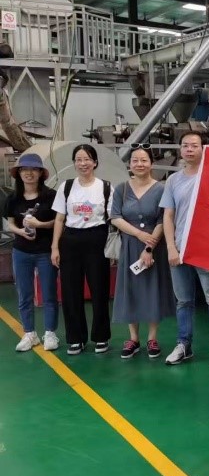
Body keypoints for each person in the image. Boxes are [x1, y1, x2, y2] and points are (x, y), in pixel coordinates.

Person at [160, 132, 209, 368]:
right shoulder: (173, 181)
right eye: (185, 145)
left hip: (206, 249)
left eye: (194, 145)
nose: (189, 149)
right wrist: (171, 247)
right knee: (183, 301)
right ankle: (183, 345)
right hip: (180, 249)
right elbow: (168, 216)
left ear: (203, 149)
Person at [111, 144, 175, 359]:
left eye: (144, 160)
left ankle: (152, 338)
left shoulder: (161, 189)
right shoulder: (122, 189)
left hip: (154, 245)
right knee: (130, 289)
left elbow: (163, 219)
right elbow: (115, 217)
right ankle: (133, 338)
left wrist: (149, 246)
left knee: (152, 289)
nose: (139, 164)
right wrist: (138, 235)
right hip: (130, 245)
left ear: (151, 164)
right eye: (135, 160)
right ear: (130, 164)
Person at [51, 144, 113, 355]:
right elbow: (59, 219)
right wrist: (55, 247)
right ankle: (75, 338)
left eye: (87, 159)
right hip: (70, 241)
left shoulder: (106, 187)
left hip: (97, 239)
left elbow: (113, 219)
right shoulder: (66, 187)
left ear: (95, 162)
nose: (83, 163)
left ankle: (101, 336)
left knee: (99, 290)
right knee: (70, 292)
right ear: (74, 163)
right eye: (78, 159)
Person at [4, 153, 59, 352]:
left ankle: (50, 333)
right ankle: (29, 333)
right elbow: (10, 223)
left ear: (40, 173)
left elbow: (58, 221)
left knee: (49, 293)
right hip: (21, 252)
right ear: (19, 173)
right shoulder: (13, 198)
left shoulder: (51, 196)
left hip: (45, 251)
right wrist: (20, 231)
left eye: (34, 169)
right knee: (24, 294)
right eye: (25, 170)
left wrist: (39, 224)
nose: (29, 173)